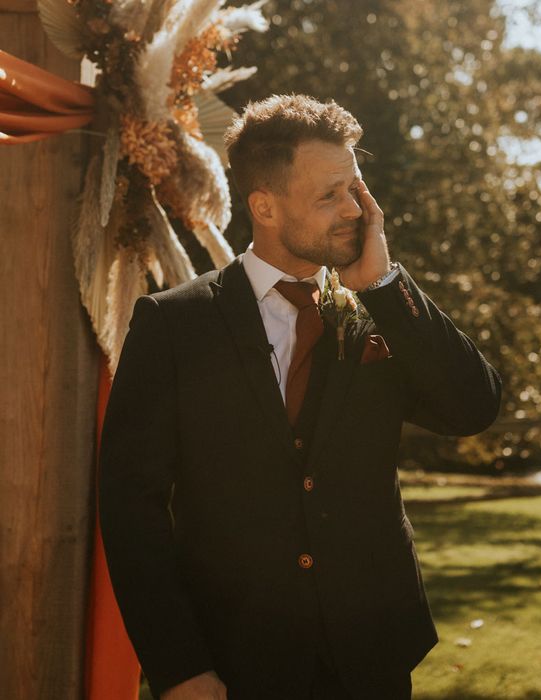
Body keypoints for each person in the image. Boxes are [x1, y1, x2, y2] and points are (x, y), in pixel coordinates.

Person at [98, 94, 502, 700]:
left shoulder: (381, 312)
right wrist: (179, 665)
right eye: (328, 196)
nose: (354, 211)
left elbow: (473, 407)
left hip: (372, 657)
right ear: (264, 206)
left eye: (354, 190)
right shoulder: (173, 325)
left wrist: (386, 287)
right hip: (235, 662)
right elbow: (132, 510)